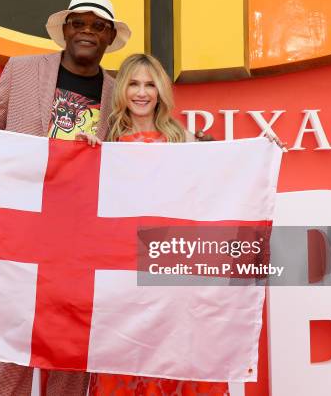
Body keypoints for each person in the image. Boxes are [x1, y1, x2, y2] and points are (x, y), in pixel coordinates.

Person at [0, 0, 131, 396]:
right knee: (15, 342)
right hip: (25, 230)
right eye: (80, 23)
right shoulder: (22, 71)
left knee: (73, 345)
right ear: (65, 30)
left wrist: (207, 149)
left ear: (109, 38)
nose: (87, 31)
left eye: (98, 26)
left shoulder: (118, 92)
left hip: (83, 237)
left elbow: (143, 147)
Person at [77, 53, 230, 396]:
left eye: (150, 84)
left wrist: (263, 152)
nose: (142, 92)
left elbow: (225, 179)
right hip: (123, 273)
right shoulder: (106, 140)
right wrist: (86, 157)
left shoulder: (185, 141)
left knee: (179, 357)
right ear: (122, 90)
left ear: (161, 91)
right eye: (133, 83)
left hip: (172, 271)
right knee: (127, 358)